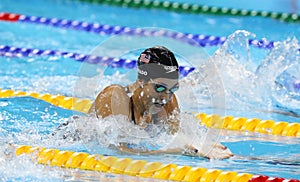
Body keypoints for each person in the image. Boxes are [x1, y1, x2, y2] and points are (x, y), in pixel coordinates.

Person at [88, 46, 233, 159]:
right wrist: (176, 151)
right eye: (160, 88)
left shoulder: (166, 100)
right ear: (141, 81)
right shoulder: (115, 97)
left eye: (173, 89)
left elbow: (178, 136)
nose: (166, 97)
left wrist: (202, 144)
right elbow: (119, 152)